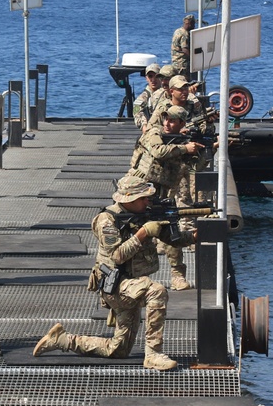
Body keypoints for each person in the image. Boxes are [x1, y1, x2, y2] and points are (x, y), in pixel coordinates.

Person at [33, 175, 195, 371]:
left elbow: (175, 240)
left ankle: (63, 340)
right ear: (129, 199)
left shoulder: (145, 214)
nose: (147, 202)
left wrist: (197, 235)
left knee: (118, 350)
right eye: (143, 198)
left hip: (133, 284)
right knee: (157, 291)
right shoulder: (106, 220)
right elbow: (117, 256)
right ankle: (153, 354)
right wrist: (143, 233)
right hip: (115, 285)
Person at [128, 105, 204, 291]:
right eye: (166, 119)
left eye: (173, 120)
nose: (168, 123)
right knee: (132, 233)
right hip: (136, 192)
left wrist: (208, 150)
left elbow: (196, 168)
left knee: (171, 230)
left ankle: (178, 276)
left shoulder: (181, 142)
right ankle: (130, 275)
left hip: (161, 194)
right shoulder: (155, 132)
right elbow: (158, 151)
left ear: (181, 123)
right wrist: (185, 148)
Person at [132, 63, 164, 130]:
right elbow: (136, 111)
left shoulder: (167, 93)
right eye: (150, 76)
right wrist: (144, 125)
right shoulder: (143, 98)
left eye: (156, 76)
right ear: (146, 78)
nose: (153, 80)